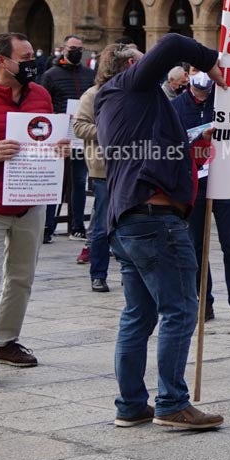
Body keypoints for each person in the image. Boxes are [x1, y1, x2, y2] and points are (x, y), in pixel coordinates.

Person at [95, 32, 225, 429]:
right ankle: (172, 402)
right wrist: (212, 63)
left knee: (138, 315)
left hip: (129, 220)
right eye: (143, 58)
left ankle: (131, 404)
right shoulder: (130, 86)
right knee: (181, 309)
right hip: (153, 220)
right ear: (134, 65)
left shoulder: (112, 100)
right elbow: (171, 42)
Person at [0, 33, 69, 386]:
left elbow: (46, 138)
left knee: (21, 277)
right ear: (2, 61)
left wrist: (58, 149)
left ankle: (6, 341)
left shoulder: (40, 95)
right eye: (25, 56)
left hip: (29, 201)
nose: (32, 62)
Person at [172, 72, 230, 324]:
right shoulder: (175, 107)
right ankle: (203, 300)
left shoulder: (225, 102)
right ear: (188, 75)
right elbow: (171, 144)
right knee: (196, 246)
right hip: (195, 184)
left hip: (225, 183)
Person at [73, 43, 137, 293]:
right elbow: (79, 127)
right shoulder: (93, 94)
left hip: (131, 166)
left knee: (129, 223)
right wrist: (108, 132)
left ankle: (129, 273)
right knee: (102, 225)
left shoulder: (134, 93)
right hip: (103, 169)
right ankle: (98, 274)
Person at [41, 34, 95, 245]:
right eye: (73, 47)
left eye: (80, 48)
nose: (77, 51)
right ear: (63, 48)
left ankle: (77, 226)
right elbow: (44, 102)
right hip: (59, 135)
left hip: (80, 135)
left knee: (79, 181)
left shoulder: (89, 74)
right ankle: (48, 226)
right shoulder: (51, 75)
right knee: (55, 181)